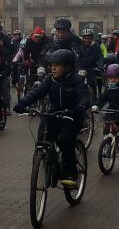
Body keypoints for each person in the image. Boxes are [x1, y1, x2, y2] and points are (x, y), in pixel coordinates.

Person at [14, 49, 90, 187]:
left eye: (57, 65)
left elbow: (84, 97)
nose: (52, 68)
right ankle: (43, 161)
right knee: (42, 139)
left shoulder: (77, 80)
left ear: (67, 67)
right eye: (51, 65)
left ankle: (71, 173)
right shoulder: (50, 79)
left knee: (65, 140)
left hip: (72, 115)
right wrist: (22, 103)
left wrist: (80, 107)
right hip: (53, 113)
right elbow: (36, 92)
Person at [77, 29, 103, 98]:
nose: (87, 40)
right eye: (85, 38)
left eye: (89, 38)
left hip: (92, 68)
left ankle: (95, 97)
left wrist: (100, 66)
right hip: (81, 68)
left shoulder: (96, 46)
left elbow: (100, 56)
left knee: (93, 83)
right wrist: (77, 67)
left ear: (92, 38)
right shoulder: (80, 45)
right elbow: (77, 57)